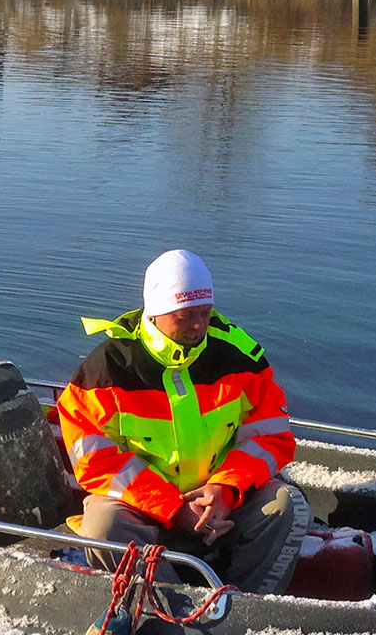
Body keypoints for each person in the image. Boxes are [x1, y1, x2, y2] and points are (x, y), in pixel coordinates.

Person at [56, 249, 309, 593]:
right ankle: (170, 610)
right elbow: (95, 462)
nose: (198, 325)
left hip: (221, 504)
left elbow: (271, 436)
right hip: (142, 510)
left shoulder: (241, 358)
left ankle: (242, 609)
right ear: (156, 313)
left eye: (205, 313)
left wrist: (225, 489)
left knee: (287, 506)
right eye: (186, 315)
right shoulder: (105, 372)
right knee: (102, 525)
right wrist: (175, 510)